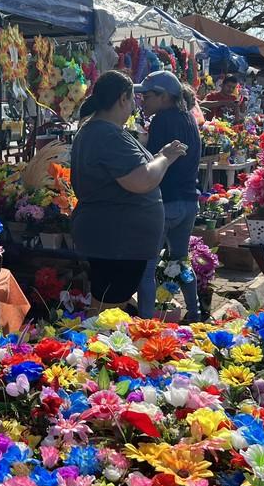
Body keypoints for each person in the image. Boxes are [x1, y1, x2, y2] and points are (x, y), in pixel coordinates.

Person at [70, 71, 187, 312]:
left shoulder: (103, 130)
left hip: (117, 239)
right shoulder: (105, 133)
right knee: (106, 314)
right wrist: (164, 158)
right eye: (133, 99)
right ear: (123, 98)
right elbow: (141, 180)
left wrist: (160, 158)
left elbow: (135, 172)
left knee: (107, 307)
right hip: (117, 241)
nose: (135, 105)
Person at [135, 71, 203, 321]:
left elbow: (153, 164)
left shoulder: (163, 120)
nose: (143, 101)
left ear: (164, 97)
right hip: (188, 201)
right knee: (180, 261)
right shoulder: (188, 118)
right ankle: (194, 313)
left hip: (166, 201)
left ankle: (145, 322)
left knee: (148, 267)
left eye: (147, 95)